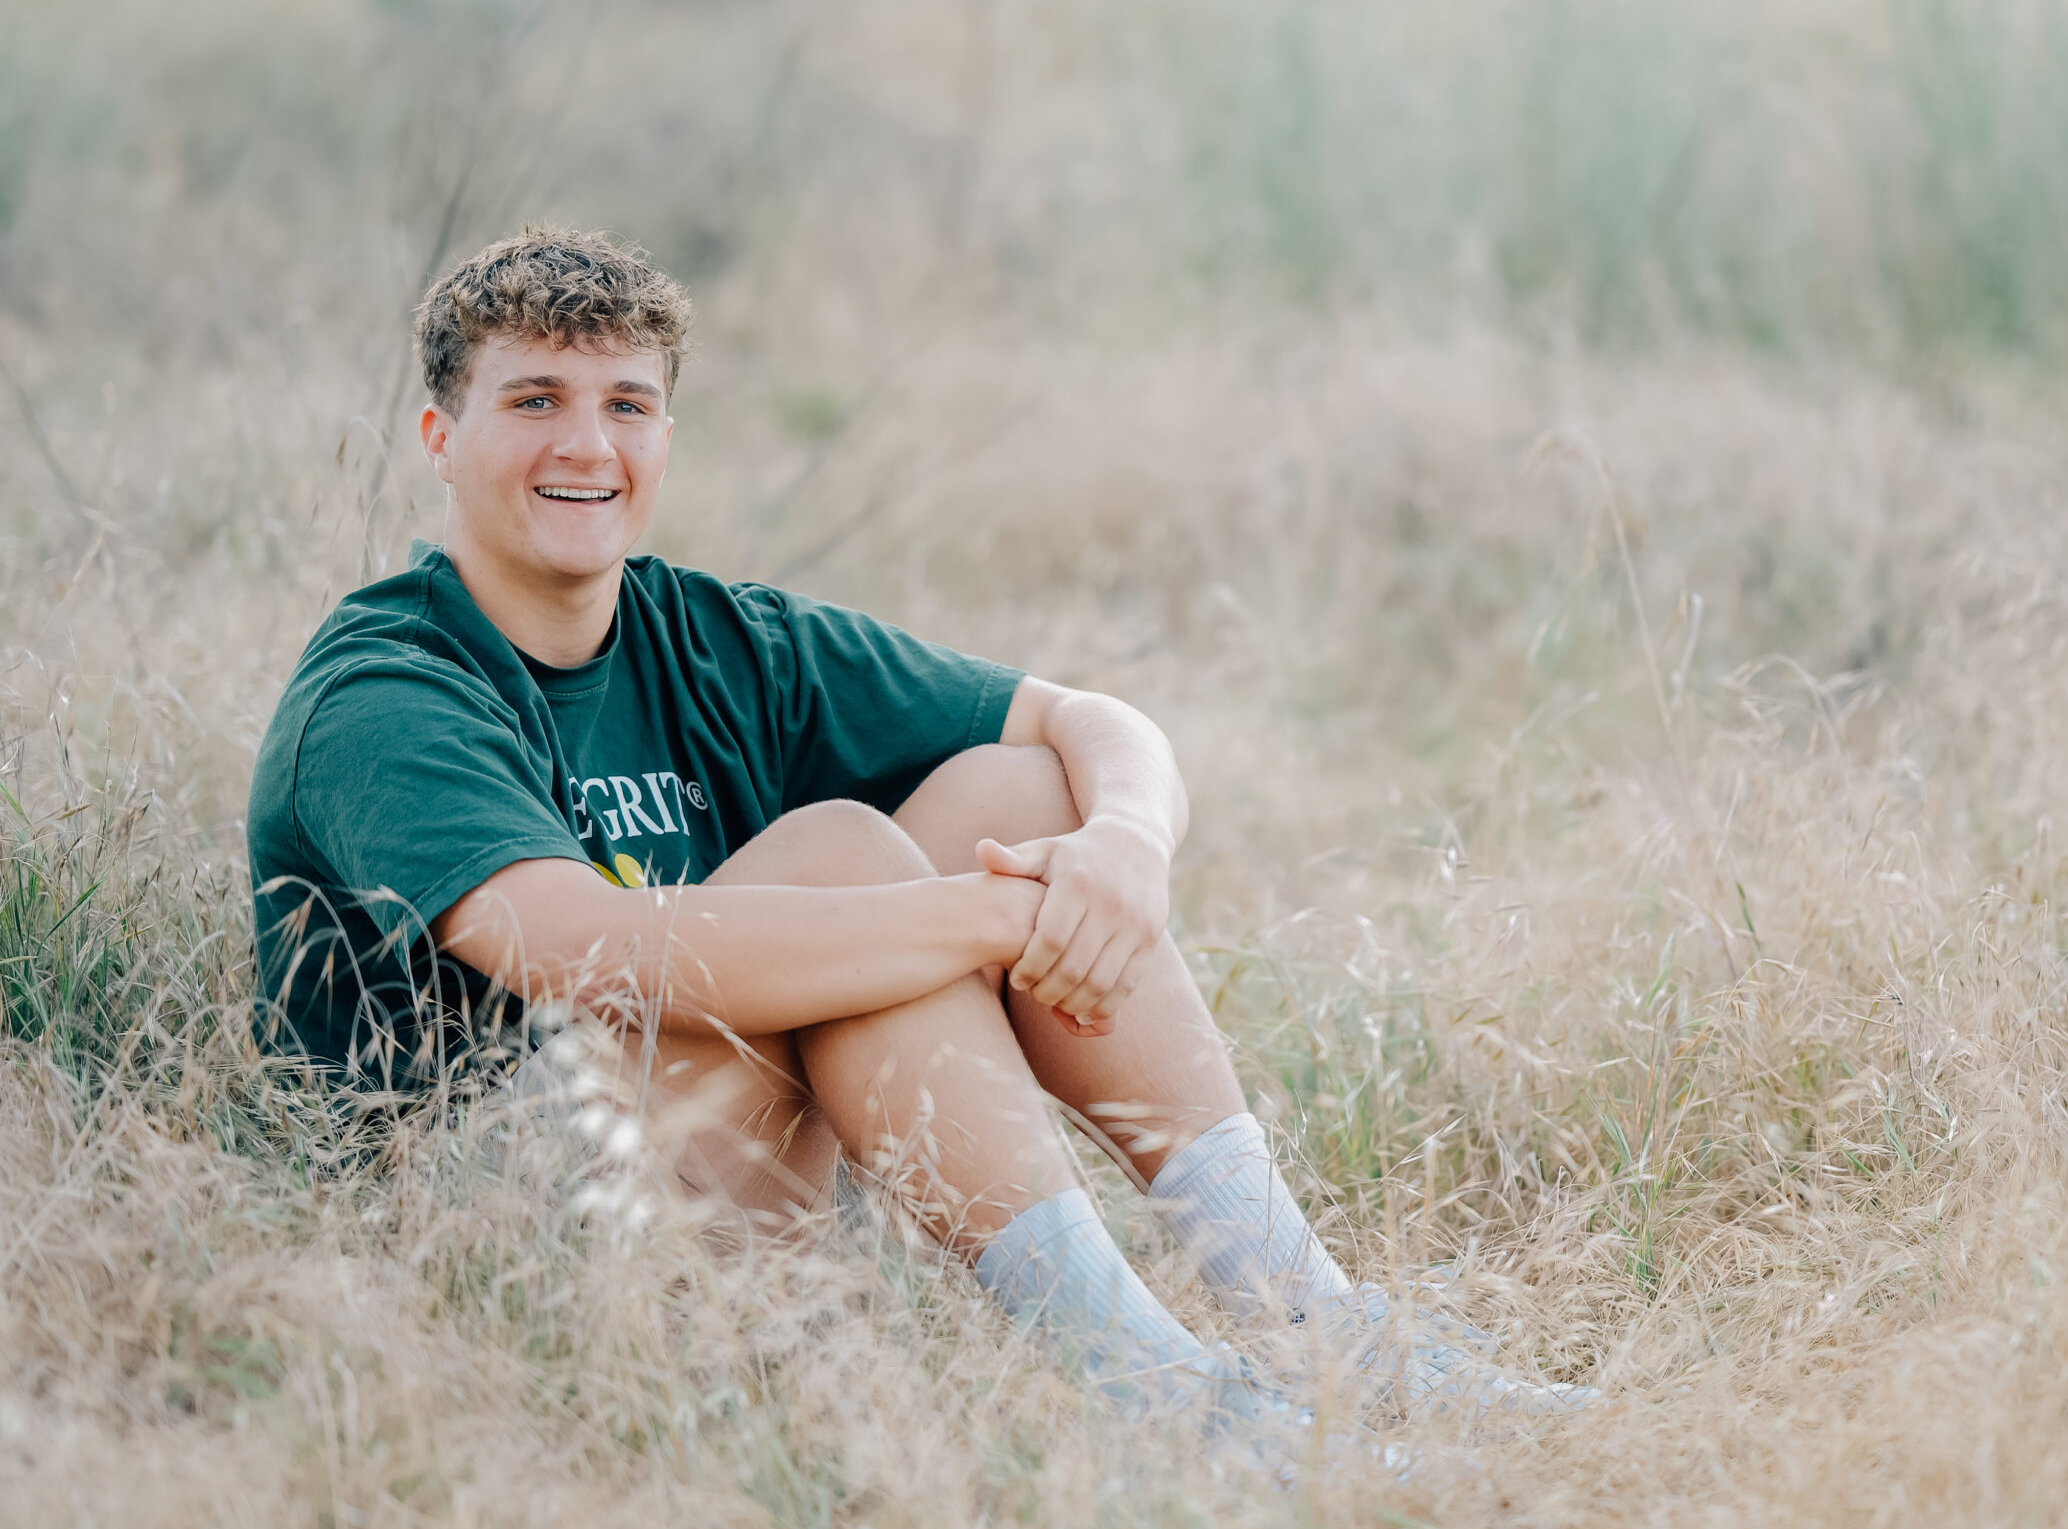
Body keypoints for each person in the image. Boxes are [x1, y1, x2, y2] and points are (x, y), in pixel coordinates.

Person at [247, 227, 1591, 1425]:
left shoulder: (708, 633)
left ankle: (1314, 1319)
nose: (585, 444)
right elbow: (589, 946)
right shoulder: (388, 686)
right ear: (440, 437)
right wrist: (1002, 918)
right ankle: (1164, 1401)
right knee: (847, 866)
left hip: (723, 1160)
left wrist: (1124, 851)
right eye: (532, 400)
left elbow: (1093, 722)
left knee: (1026, 796)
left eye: (626, 404)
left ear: (665, 435)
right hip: (498, 1220)